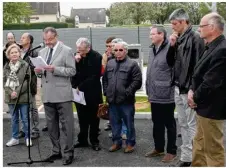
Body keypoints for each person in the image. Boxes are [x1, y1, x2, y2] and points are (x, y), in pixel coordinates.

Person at [167, 8, 205, 167]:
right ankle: (187, 157)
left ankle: (195, 158)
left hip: (188, 89)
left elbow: (199, 66)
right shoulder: (179, 38)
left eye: (175, 24)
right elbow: (170, 62)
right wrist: (172, 45)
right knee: (183, 124)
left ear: (183, 22)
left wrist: (192, 89)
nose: (172, 27)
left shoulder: (196, 38)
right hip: (178, 86)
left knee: (191, 125)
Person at [189, 13, 226, 167]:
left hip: (212, 109)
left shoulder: (221, 50)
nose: (199, 29)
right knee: (199, 145)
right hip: (203, 108)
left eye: (202, 26)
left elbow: (211, 82)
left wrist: (194, 98)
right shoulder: (211, 46)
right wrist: (192, 90)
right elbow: (198, 73)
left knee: (213, 150)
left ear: (211, 28)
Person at [34, 27, 76, 165]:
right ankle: (56, 151)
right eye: (45, 40)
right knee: (51, 127)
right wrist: (38, 71)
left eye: (50, 39)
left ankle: (68, 153)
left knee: (67, 126)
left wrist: (55, 69)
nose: (47, 42)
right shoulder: (41, 52)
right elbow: (42, 74)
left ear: (56, 36)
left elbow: (72, 71)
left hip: (63, 95)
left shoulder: (67, 50)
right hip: (47, 95)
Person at [103, 41, 142, 153]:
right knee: (114, 123)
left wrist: (127, 92)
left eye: (121, 50)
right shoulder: (110, 63)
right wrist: (106, 91)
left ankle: (130, 144)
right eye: (116, 50)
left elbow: (137, 81)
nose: (118, 52)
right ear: (113, 51)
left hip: (126, 101)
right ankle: (116, 143)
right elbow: (105, 80)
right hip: (112, 100)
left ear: (125, 51)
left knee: (129, 123)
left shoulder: (132, 64)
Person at [145, 25, 177, 162]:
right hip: (154, 94)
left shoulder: (171, 47)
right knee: (156, 123)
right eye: (150, 34)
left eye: (152, 34)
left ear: (161, 35)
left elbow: (175, 70)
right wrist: (148, 91)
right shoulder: (152, 49)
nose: (150, 36)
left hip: (166, 94)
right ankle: (158, 148)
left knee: (169, 124)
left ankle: (171, 151)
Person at [71, 38, 103, 151]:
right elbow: (73, 73)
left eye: (81, 49)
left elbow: (94, 76)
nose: (78, 51)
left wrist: (81, 86)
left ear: (88, 48)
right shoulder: (77, 56)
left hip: (92, 92)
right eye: (77, 49)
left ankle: (94, 141)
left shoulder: (97, 57)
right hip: (78, 93)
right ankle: (82, 140)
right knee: (82, 117)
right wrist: (75, 61)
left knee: (94, 118)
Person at [4, 44, 32, 147]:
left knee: (25, 118)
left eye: (16, 52)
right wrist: (11, 92)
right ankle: (15, 138)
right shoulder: (6, 66)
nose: (14, 54)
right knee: (14, 119)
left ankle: (28, 137)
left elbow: (27, 81)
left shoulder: (25, 65)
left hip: (23, 97)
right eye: (12, 53)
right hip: (11, 98)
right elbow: (4, 82)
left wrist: (17, 92)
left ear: (19, 53)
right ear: (8, 55)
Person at [18, 33, 40, 140]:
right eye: (21, 37)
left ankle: (35, 130)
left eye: (23, 38)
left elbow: (34, 68)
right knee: (23, 107)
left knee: (32, 108)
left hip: (30, 83)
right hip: (20, 84)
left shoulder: (34, 52)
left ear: (29, 40)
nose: (21, 39)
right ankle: (24, 129)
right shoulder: (19, 51)